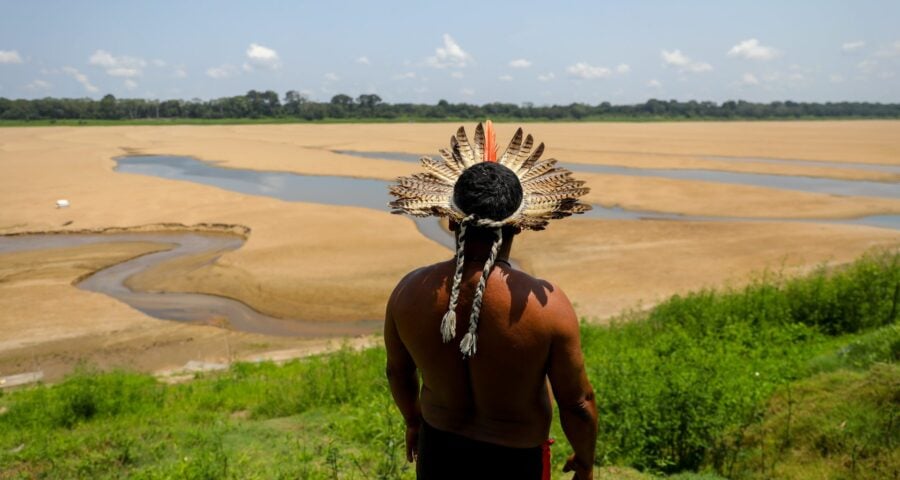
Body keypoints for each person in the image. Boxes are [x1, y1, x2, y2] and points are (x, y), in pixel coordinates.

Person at [385, 122, 597, 479]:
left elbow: (398, 372)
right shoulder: (549, 307)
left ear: (451, 223)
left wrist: (412, 422)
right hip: (514, 461)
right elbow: (577, 403)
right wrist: (585, 461)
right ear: (520, 225)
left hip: (439, 451)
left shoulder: (408, 291)